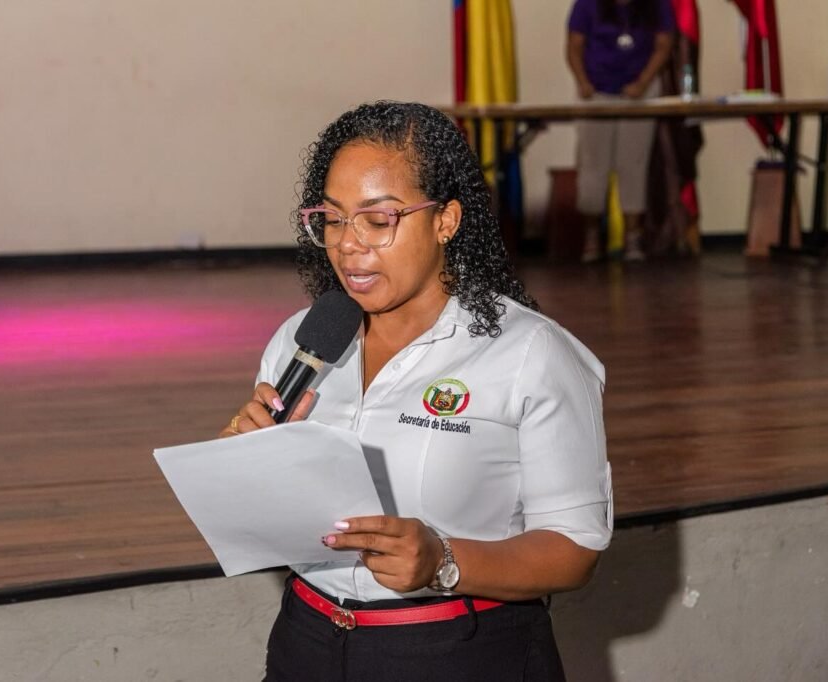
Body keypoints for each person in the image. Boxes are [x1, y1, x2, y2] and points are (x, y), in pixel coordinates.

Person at [221, 101, 612, 681]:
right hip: (306, 641)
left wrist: (444, 561)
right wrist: (241, 463)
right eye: (332, 218)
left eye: (378, 219)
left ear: (446, 220)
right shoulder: (301, 340)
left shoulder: (530, 353)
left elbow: (574, 551)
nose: (347, 244)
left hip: (460, 652)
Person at [566, 0, 674, 262]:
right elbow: (574, 47)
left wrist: (643, 83)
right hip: (596, 93)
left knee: (633, 165)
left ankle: (632, 237)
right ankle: (592, 237)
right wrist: (583, 83)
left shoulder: (657, 4)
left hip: (639, 93)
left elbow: (663, 45)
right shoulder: (586, 4)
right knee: (593, 166)